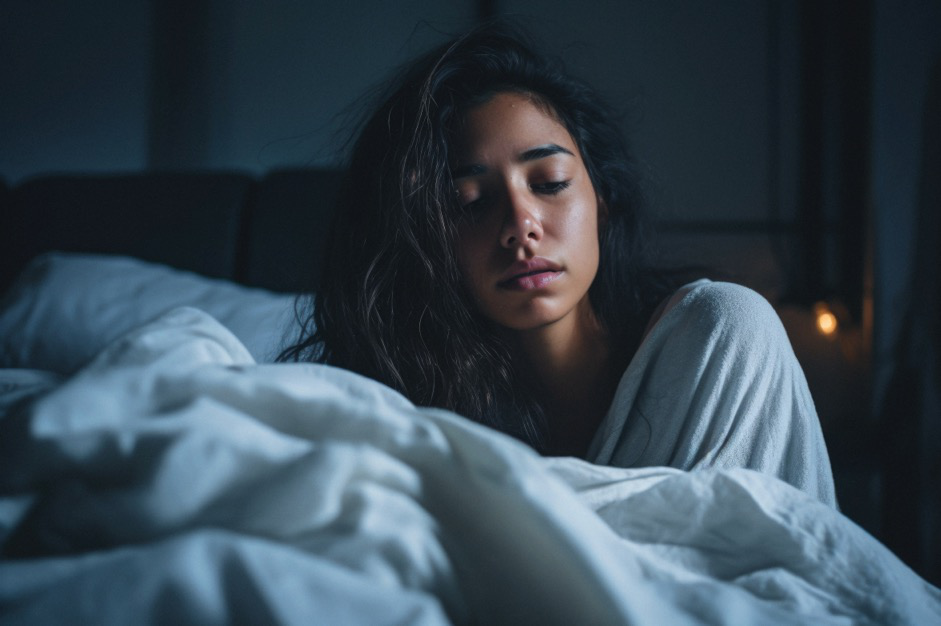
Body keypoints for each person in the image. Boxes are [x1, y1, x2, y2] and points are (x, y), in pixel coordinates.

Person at [281, 22, 837, 505]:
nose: (521, 224)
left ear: (602, 198)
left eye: (549, 184)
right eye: (467, 204)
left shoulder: (717, 338)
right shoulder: (407, 417)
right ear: (423, 244)